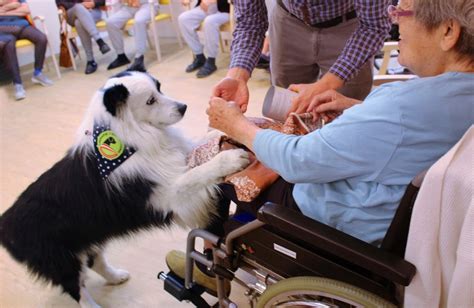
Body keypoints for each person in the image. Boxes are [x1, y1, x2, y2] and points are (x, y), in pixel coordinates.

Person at [167, 0, 474, 295]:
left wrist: (235, 125)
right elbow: (400, 130)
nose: (394, 17)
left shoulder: (399, 107)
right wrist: (357, 109)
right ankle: (224, 241)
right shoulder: (454, 97)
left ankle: (213, 259)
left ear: (448, 32)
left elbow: (298, 161)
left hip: (326, 215)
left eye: (402, 9)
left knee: (220, 153)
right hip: (383, 204)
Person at [212, 0, 392, 114]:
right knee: (286, 106)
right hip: (288, 20)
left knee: (345, 112)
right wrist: (236, 77)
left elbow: (373, 26)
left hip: (349, 26)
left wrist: (327, 84)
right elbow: (249, 22)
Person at [0, 0, 53, 100]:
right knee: (9, 45)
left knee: (41, 38)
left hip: (21, 24)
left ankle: (37, 73)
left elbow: (26, 10)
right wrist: (14, 6)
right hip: (3, 29)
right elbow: (17, 6)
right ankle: (18, 84)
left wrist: (3, 9)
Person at [56, 0, 111, 74]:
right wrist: (81, 5)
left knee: (78, 23)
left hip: (93, 11)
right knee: (78, 8)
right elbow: (60, 3)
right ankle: (99, 41)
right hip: (72, 13)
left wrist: (93, 3)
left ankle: (90, 60)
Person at [178, 0, 230, 78]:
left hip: (227, 9)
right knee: (183, 19)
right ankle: (199, 56)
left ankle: (211, 60)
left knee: (209, 21)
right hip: (206, 8)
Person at [106, 0, 157, 71]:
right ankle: (121, 56)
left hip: (147, 5)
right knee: (111, 22)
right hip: (129, 7)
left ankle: (139, 58)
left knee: (139, 21)